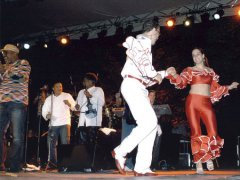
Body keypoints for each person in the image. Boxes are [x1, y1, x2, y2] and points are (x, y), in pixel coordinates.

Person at [111, 17, 172, 176]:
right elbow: (146, 68)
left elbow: (145, 72)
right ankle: (121, 151)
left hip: (137, 85)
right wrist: (157, 74)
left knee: (150, 125)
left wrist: (164, 73)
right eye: (158, 33)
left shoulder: (140, 44)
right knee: (150, 122)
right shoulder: (141, 42)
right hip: (132, 85)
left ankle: (142, 167)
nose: (158, 37)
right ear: (154, 30)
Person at [167, 48, 239, 174]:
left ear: (203, 55)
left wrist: (230, 87)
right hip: (192, 102)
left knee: (213, 131)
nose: (195, 57)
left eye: (198, 54)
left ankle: (208, 155)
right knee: (195, 132)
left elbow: (216, 89)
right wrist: (174, 75)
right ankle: (199, 162)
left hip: (206, 103)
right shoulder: (189, 70)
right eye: (193, 55)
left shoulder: (211, 72)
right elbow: (182, 82)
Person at [0, 44, 31, 172]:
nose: (6, 56)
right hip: (2, 101)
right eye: (5, 54)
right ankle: (1, 164)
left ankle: (14, 166)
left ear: (14, 53)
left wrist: (6, 70)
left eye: (7, 53)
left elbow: (21, 78)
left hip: (17, 102)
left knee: (17, 135)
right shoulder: (5, 67)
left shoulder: (23, 63)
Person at [42, 82, 76, 171]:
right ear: (53, 88)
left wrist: (69, 104)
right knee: (51, 144)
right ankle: (53, 163)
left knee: (65, 142)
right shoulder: (50, 98)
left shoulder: (67, 95)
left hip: (65, 122)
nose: (59, 88)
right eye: (57, 87)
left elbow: (75, 108)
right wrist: (47, 115)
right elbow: (44, 110)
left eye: (61, 86)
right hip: (53, 123)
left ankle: (65, 163)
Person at [75, 73, 105, 145]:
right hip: (82, 121)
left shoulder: (98, 90)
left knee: (92, 143)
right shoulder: (81, 92)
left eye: (86, 80)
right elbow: (77, 105)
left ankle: (94, 156)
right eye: (84, 81)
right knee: (82, 143)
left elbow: (102, 103)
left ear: (91, 81)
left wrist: (91, 96)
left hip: (93, 121)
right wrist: (76, 107)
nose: (84, 82)